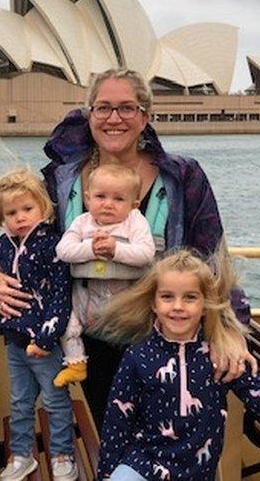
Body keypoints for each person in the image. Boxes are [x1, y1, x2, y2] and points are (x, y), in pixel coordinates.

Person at [0, 68, 255, 430]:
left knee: (172, 445)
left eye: (127, 108)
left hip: (168, 339)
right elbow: (26, 242)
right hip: (94, 340)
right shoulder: (62, 179)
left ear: (145, 117)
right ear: (89, 115)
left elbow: (214, 260)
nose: (114, 119)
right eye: (103, 108)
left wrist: (233, 330)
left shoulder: (182, 176)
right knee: (115, 444)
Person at [95, 249, 260, 480]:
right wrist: (106, 474)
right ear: (154, 303)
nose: (177, 307)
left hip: (195, 473)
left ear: (206, 305)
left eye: (190, 298)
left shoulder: (219, 356)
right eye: (167, 297)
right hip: (145, 465)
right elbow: (117, 422)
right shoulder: (137, 356)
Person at [0, 168, 77, 481]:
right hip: (14, 341)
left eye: (27, 209)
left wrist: (45, 338)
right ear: (2, 218)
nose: (20, 218)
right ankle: (22, 455)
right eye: (11, 213)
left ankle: (61, 455)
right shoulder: (3, 246)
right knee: (20, 402)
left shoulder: (52, 247)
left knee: (56, 401)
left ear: (43, 207)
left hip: (45, 345)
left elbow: (60, 298)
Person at [52, 164, 155, 387]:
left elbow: (146, 254)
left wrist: (115, 250)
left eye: (118, 199)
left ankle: (137, 368)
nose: (108, 204)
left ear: (133, 204)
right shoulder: (81, 222)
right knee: (68, 327)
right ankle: (75, 364)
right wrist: (91, 249)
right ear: (88, 199)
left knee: (137, 334)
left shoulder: (135, 222)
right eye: (100, 197)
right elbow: (63, 251)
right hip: (85, 301)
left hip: (123, 301)